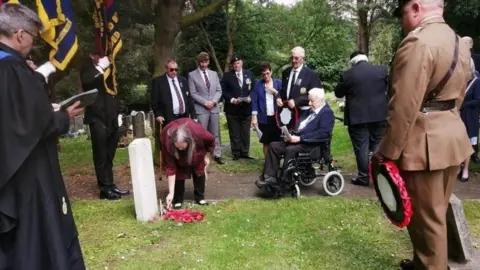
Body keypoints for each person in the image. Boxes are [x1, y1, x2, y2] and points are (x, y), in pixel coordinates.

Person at [373, 1, 473, 269]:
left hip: (424, 145)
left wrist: (387, 152)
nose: (403, 22)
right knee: (436, 212)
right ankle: (423, 264)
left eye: (403, 14)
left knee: (427, 224)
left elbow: (403, 105)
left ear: (415, 7)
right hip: (452, 137)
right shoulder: (458, 41)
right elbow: (460, 95)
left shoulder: (417, 43)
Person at [0, 3, 86, 269]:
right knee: (38, 233)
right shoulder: (12, 69)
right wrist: (63, 116)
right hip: (27, 170)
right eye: (34, 38)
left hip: (6, 163)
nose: (33, 45)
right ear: (20, 34)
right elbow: (36, 123)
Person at [256, 88, 334, 186]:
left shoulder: (326, 113)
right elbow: (298, 126)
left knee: (291, 150)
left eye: (312, 101)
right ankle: (269, 177)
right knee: (273, 146)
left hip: (311, 145)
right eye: (309, 100)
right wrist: (289, 135)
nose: (309, 103)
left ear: (321, 100)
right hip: (298, 141)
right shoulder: (310, 111)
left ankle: (285, 181)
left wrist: (300, 138)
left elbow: (323, 133)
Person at [334, 51, 388, 187]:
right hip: (379, 116)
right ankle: (378, 176)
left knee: (361, 147)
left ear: (353, 62)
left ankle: (364, 177)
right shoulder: (381, 71)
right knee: (377, 145)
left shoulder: (348, 75)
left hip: (358, 118)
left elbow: (338, 92)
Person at [80, 53, 130, 200]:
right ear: (91, 55)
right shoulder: (88, 69)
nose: (102, 56)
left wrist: (118, 112)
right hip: (97, 117)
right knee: (100, 154)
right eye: (98, 54)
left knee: (109, 153)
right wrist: (101, 67)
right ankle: (104, 188)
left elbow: (114, 92)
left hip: (112, 116)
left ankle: (110, 184)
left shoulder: (110, 70)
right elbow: (87, 81)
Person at [151, 59, 197, 164]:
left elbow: (189, 99)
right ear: (166, 69)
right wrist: (158, 115)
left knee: (184, 138)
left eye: (176, 69)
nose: (174, 72)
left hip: (183, 116)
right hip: (169, 116)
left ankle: (184, 162)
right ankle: (171, 164)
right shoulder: (158, 82)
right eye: (171, 70)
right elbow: (154, 101)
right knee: (170, 141)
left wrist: (193, 115)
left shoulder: (183, 80)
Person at [162, 118, 215, 209]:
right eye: (178, 147)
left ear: (189, 141)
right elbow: (171, 167)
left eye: (182, 147)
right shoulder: (166, 138)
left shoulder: (198, 132)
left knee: (199, 169)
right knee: (178, 172)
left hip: (196, 150)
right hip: (175, 153)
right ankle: (177, 199)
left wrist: (207, 155)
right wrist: (170, 193)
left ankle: (200, 197)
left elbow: (211, 140)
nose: (180, 150)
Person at [188, 52, 225, 164]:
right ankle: (201, 155)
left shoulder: (214, 74)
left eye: (205, 62)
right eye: (201, 62)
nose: (203, 64)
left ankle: (217, 154)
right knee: (201, 134)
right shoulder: (192, 75)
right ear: (198, 62)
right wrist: (205, 102)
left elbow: (219, 90)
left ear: (208, 62)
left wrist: (213, 101)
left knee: (215, 133)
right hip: (201, 109)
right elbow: (193, 93)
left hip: (214, 108)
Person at [221, 55, 256, 160]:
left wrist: (251, 97)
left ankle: (245, 152)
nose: (236, 65)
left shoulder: (249, 74)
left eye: (238, 63)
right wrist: (232, 99)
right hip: (232, 109)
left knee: (245, 132)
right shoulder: (227, 76)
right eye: (234, 64)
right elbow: (223, 91)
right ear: (232, 65)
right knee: (234, 132)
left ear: (242, 63)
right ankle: (236, 153)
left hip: (246, 108)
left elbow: (254, 89)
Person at [277, 46, 322, 116]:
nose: (293, 60)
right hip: (288, 114)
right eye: (292, 57)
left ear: (303, 59)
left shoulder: (311, 74)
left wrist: (296, 101)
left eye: (296, 58)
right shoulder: (286, 72)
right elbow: (283, 90)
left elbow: (317, 97)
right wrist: (278, 97)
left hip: (304, 114)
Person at [251, 62, 283, 157]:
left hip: (277, 117)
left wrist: (274, 91)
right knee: (266, 142)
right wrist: (254, 117)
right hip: (264, 118)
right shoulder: (258, 85)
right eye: (263, 74)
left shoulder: (278, 83)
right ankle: (267, 163)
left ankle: (276, 162)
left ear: (271, 72)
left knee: (278, 141)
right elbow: (254, 101)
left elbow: (284, 98)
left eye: (267, 73)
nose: (266, 76)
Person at [459, 61, 480, 182]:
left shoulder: (477, 82)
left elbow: (478, 100)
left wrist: (463, 104)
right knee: (458, 142)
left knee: (467, 143)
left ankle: (465, 169)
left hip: (469, 116)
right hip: (458, 116)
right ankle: (457, 167)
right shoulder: (460, 81)